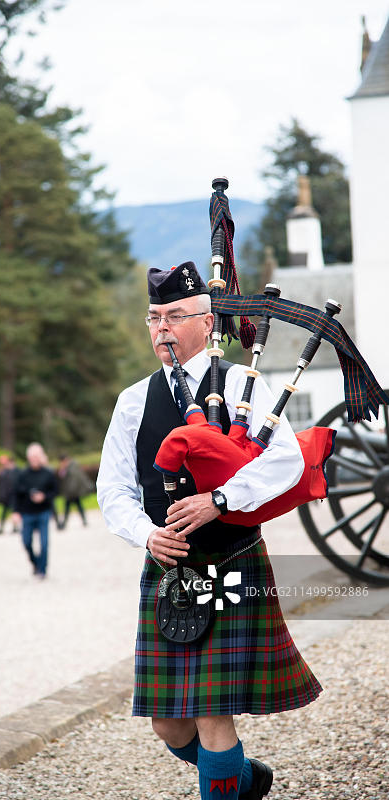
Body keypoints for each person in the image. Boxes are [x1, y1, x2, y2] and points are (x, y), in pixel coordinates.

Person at [97, 261, 322, 800]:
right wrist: (146, 534)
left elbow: (286, 461)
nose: (162, 328)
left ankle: (224, 780)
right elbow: (114, 490)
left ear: (207, 320)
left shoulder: (246, 385)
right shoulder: (133, 402)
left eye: (174, 315)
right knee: (169, 725)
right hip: (169, 571)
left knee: (212, 716)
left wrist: (220, 500)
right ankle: (244, 780)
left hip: (232, 561)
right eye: (154, 318)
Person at [12, 443, 58, 579]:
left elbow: (55, 491)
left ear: (41, 456)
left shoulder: (48, 473)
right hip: (27, 513)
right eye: (32, 457)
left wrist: (44, 497)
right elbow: (16, 494)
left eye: (37, 456)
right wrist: (16, 512)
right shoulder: (22, 475)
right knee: (26, 542)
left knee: (44, 544)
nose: (34, 459)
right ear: (28, 458)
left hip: (43, 512)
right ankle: (35, 563)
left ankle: (42, 571)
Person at [57, 454, 93, 528]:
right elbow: (61, 476)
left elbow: (74, 480)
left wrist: (71, 491)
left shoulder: (72, 467)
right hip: (71, 492)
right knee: (76, 506)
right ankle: (83, 520)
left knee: (70, 507)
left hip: (72, 492)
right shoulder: (67, 467)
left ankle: (64, 523)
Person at [0, 454, 20, 535]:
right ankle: (2, 528)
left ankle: (15, 527)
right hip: (6, 496)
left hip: (12, 495)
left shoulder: (15, 471)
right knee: (5, 512)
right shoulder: (5, 472)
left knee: (14, 511)